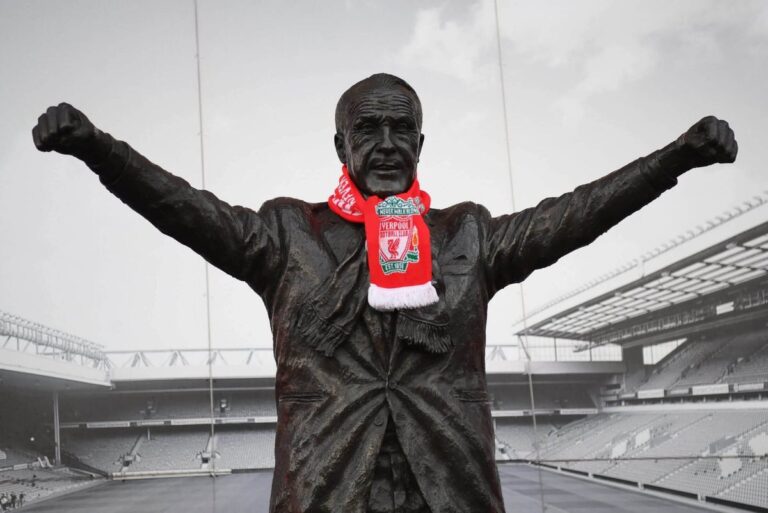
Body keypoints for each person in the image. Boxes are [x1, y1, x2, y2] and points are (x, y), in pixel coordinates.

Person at [32, 73, 737, 513]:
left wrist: (674, 158)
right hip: (326, 492)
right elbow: (184, 206)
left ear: (423, 142)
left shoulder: (467, 234)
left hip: (452, 492)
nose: (388, 142)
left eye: (403, 128)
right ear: (339, 145)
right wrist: (98, 147)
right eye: (368, 128)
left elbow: (576, 213)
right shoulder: (286, 233)